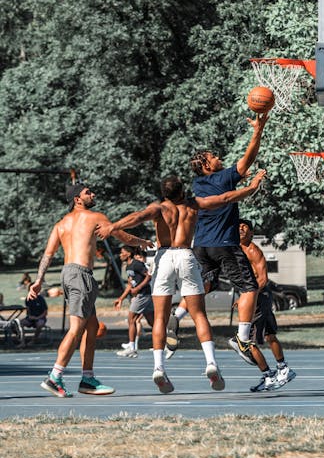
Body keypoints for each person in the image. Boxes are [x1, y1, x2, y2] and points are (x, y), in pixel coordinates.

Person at [97, 169, 266, 393]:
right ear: (183, 190)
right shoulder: (192, 205)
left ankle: (159, 367)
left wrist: (114, 226)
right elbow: (225, 198)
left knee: (160, 316)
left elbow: (137, 217)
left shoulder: (159, 208)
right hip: (186, 255)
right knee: (198, 314)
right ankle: (211, 363)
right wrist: (252, 186)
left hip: (164, 257)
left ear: (163, 193)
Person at [30, 181, 150, 398]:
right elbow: (121, 234)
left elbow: (48, 255)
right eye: (88, 193)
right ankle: (54, 377)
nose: (93, 194)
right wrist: (141, 242)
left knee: (91, 326)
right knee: (76, 329)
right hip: (80, 275)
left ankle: (87, 379)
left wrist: (39, 280)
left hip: (68, 274)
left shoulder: (61, 224)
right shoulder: (95, 217)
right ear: (77, 199)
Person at [190, 111, 269, 365]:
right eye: (213, 157)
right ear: (205, 165)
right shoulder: (222, 178)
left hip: (201, 246)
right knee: (249, 287)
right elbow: (247, 161)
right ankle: (242, 338)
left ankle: (177, 316)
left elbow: (227, 186)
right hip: (223, 244)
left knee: (205, 286)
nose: (218, 157)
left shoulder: (197, 185)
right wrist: (258, 130)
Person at [238, 219, 296, 392]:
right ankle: (283, 368)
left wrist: (248, 298)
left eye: (244, 227)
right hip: (260, 296)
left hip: (259, 297)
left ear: (251, 233)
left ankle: (268, 376)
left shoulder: (253, 251)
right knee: (270, 335)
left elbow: (262, 279)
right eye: (238, 227)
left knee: (248, 342)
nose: (240, 229)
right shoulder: (236, 249)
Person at [114, 245, 154, 358]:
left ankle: (131, 348)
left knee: (131, 319)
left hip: (142, 295)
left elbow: (148, 276)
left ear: (128, 253)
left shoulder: (137, 264)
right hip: (143, 295)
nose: (120, 254)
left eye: (122, 252)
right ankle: (165, 341)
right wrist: (121, 298)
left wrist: (138, 288)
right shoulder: (128, 267)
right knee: (152, 322)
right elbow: (130, 284)